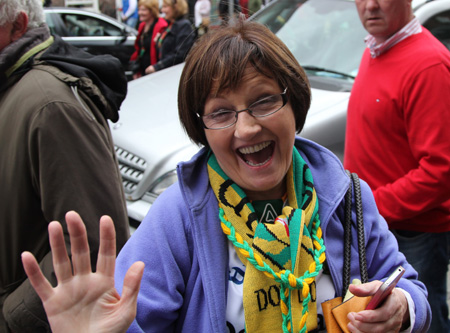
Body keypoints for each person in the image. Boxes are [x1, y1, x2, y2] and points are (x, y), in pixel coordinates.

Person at [22, 20, 431, 333]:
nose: (246, 129)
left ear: (295, 105)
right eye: (221, 112)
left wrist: (401, 309)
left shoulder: (347, 196)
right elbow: (127, 319)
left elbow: (411, 289)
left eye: (264, 101)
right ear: (202, 128)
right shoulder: (179, 216)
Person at [0, 0, 130, 331]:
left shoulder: (50, 104)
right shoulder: (15, 87)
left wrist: (11, 317)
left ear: (18, 25)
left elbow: (95, 241)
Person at [343, 0, 450, 332]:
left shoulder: (429, 64)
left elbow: (441, 170)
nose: (370, 6)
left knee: (422, 319)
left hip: (414, 233)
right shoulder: (376, 48)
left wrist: (370, 207)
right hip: (381, 226)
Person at [145, 0, 194, 75]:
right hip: (165, 71)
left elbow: (179, 54)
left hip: (174, 73)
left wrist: (157, 67)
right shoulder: (170, 25)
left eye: (165, 7)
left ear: (176, 7)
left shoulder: (184, 25)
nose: (162, 10)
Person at [130, 0, 168, 80]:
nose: (140, 12)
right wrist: (136, 70)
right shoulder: (142, 26)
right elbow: (139, 49)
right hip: (143, 69)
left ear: (152, 11)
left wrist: (156, 67)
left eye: (143, 10)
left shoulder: (162, 25)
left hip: (156, 70)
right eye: (139, 9)